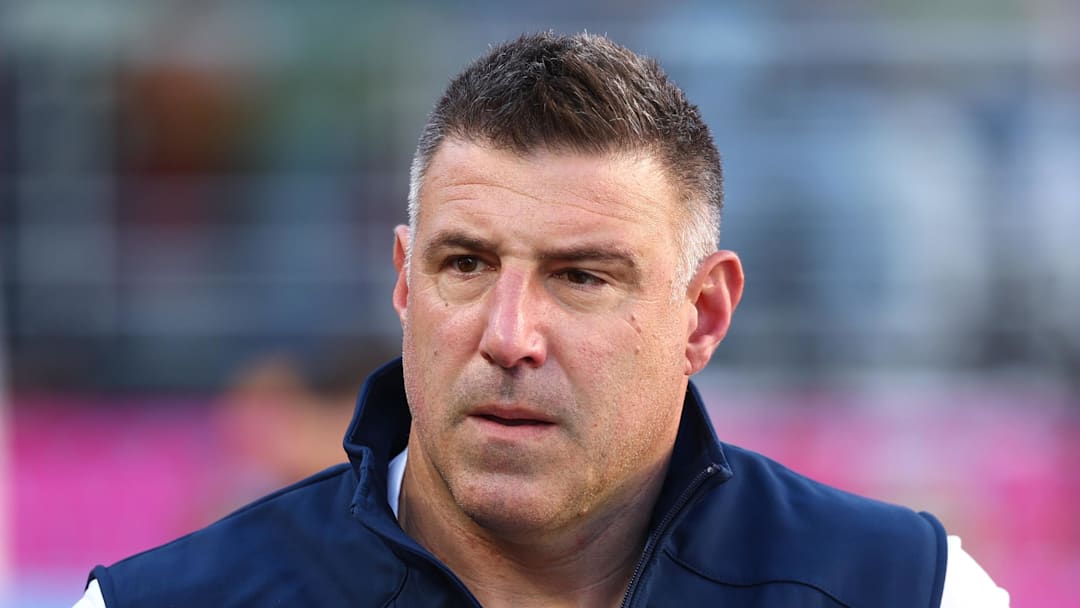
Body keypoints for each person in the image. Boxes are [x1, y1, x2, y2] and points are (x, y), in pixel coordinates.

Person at [75, 32, 1009, 607]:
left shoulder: (908, 590)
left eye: (581, 277)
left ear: (703, 314)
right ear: (405, 285)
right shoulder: (165, 602)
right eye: (466, 265)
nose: (507, 333)